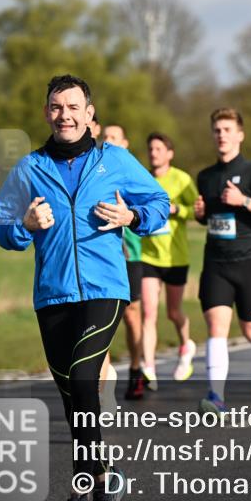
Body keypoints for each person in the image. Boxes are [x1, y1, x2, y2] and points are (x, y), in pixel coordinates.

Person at [0, 75, 169, 501]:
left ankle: (80, 492)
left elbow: (159, 202)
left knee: (85, 378)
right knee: (75, 401)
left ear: (89, 114)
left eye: (73, 107)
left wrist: (132, 216)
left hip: (104, 289)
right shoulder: (30, 167)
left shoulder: (115, 160)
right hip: (52, 296)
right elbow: (2, 226)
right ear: (46, 113)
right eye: (56, 107)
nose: (64, 115)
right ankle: (106, 480)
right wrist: (25, 224)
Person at [194, 108, 251, 414]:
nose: (222, 135)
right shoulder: (205, 177)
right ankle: (216, 397)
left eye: (227, 130)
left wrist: (244, 200)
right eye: (217, 130)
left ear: (240, 135)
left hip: (250, 262)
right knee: (216, 326)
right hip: (217, 262)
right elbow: (212, 218)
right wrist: (201, 214)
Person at [137, 132, 198, 392]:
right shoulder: (142, 178)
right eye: (151, 149)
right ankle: (149, 368)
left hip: (175, 257)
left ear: (170, 153)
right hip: (148, 255)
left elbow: (197, 211)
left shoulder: (181, 179)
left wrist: (177, 210)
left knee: (173, 312)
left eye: (159, 149)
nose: (154, 153)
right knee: (148, 312)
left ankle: (186, 346)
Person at [101, 124, 147, 400]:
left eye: (114, 138)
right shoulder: (97, 172)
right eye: (105, 137)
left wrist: (129, 214)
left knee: (131, 316)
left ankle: (136, 368)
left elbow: (149, 206)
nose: (108, 141)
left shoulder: (131, 173)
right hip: (104, 257)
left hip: (131, 255)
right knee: (99, 318)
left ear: (125, 143)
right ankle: (104, 380)